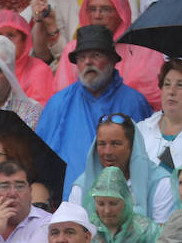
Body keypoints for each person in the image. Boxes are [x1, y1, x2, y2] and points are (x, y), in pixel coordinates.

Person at [37, 27, 152, 192]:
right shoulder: (58, 104)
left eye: (96, 55)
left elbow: (144, 160)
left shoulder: (134, 102)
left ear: (112, 60)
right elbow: (39, 161)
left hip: (122, 204)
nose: (88, 62)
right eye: (82, 57)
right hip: (67, 207)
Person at [54, 0, 165, 112]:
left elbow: (155, 99)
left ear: (121, 12)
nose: (97, 15)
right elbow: (63, 97)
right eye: (92, 9)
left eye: (106, 10)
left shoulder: (144, 49)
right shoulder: (73, 48)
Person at [69, 115, 175, 228]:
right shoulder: (81, 187)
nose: (107, 152)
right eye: (102, 144)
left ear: (132, 146)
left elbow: (162, 237)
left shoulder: (161, 184)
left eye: (115, 144)